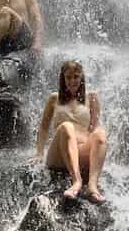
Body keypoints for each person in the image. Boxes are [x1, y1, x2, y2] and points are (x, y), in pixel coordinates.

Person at [35, 60, 108, 203]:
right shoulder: (54, 98)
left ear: (82, 78)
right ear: (63, 79)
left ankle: (92, 185)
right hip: (58, 155)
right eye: (68, 77)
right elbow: (44, 127)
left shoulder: (91, 97)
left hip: (81, 152)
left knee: (100, 133)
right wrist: (39, 153)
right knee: (67, 126)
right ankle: (77, 181)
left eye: (76, 76)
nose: (72, 81)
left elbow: (92, 129)